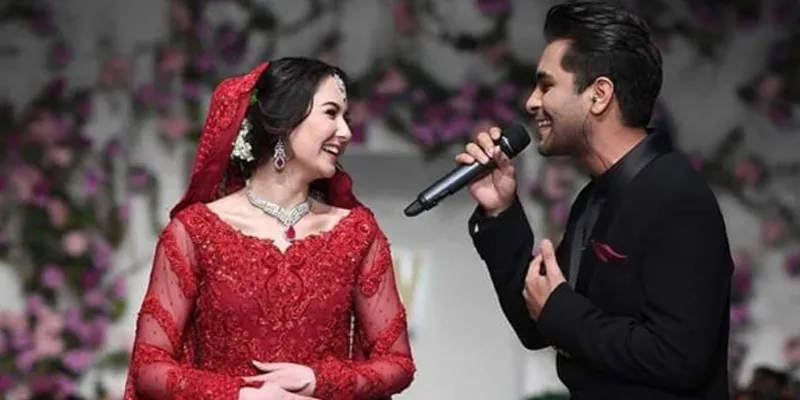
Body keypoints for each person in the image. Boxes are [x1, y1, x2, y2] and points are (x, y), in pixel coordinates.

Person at [456, 1, 733, 399]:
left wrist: (562, 311)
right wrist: (499, 211)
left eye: (546, 85)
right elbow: (538, 325)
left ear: (599, 95)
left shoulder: (675, 196)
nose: (532, 102)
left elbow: (678, 357)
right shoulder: (594, 198)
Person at [123, 58, 415, 400]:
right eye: (331, 113)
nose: (346, 133)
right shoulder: (196, 232)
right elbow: (149, 367)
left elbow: (397, 363)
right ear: (284, 121)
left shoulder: (357, 233)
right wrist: (242, 396)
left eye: (346, 119)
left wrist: (317, 380)